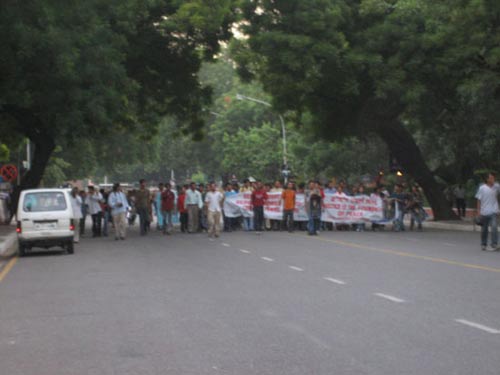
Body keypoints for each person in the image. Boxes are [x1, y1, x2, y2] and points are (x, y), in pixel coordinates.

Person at [475, 173, 499, 251]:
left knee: (494, 227)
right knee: (484, 230)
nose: (493, 180)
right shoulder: (482, 188)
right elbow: (478, 200)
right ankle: (483, 244)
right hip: (484, 212)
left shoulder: (497, 187)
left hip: (494, 211)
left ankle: (494, 244)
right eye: (491, 178)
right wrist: (478, 212)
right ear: (487, 179)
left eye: (493, 178)